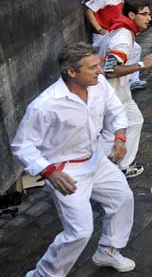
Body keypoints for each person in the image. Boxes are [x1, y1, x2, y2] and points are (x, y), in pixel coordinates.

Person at [12, 43, 136, 276]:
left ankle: (108, 250)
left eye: (98, 65)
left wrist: (120, 137)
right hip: (65, 171)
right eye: (92, 68)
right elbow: (22, 145)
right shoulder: (45, 105)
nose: (100, 71)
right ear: (71, 72)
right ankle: (44, 274)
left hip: (96, 158)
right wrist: (49, 172)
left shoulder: (99, 86)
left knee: (122, 198)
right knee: (79, 231)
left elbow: (116, 111)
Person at [96, 0, 152, 179]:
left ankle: (121, 166)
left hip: (119, 94)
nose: (149, 18)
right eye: (144, 14)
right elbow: (110, 70)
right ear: (131, 15)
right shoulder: (123, 37)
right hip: (111, 95)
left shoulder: (123, 30)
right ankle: (98, 172)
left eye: (149, 14)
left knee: (135, 121)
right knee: (111, 134)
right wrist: (142, 65)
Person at [84, 0, 147, 91]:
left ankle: (131, 80)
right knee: (107, 65)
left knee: (135, 49)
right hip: (104, 36)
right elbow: (89, 10)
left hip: (113, 33)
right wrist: (99, 28)